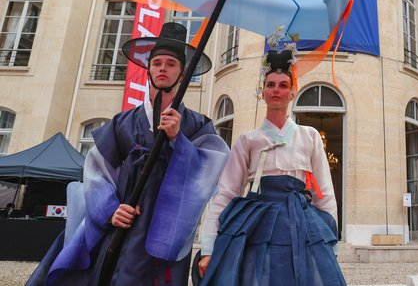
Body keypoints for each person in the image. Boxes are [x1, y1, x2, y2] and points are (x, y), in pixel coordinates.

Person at [27, 22, 230, 286]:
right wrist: (111, 210)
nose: (163, 69)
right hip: (126, 222)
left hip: (168, 229)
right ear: (148, 69)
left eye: (171, 63)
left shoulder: (197, 124)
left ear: (183, 73)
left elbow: (209, 172)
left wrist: (179, 141)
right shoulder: (122, 123)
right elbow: (96, 171)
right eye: (157, 63)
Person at [197, 47, 346, 285]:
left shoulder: (309, 136)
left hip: (301, 219)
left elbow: (325, 193)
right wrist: (208, 247)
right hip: (258, 218)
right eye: (271, 85)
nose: (276, 89)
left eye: (283, 85)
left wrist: (330, 244)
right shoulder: (248, 140)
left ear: (291, 93)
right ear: (262, 92)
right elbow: (225, 193)